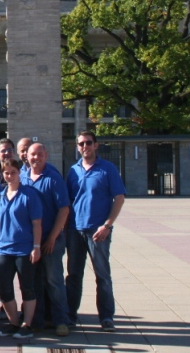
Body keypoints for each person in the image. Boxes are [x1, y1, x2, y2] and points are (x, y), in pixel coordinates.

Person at [66, 131, 126, 332]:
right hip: (75, 230)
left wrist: (107, 225)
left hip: (98, 231)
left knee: (102, 275)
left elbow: (119, 198)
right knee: (73, 275)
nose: (85, 146)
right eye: (81, 143)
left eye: (88, 143)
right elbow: (68, 201)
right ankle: (70, 316)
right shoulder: (73, 171)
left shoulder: (107, 169)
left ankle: (107, 317)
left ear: (96, 145)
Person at [22, 142, 71, 336]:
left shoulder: (53, 177)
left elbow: (64, 209)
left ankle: (61, 320)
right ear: (26, 156)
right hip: (30, 241)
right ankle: (38, 320)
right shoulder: (23, 177)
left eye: (40, 154)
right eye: (33, 154)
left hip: (50, 239)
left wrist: (52, 238)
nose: (36, 158)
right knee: (35, 282)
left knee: (54, 280)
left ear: (46, 155)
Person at [0, 158, 42, 339]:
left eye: (13, 172)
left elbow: (36, 223)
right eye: (6, 173)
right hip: (4, 249)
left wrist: (36, 246)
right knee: (3, 287)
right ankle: (13, 322)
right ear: (2, 174)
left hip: (24, 249)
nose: (10, 176)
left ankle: (27, 325)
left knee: (27, 287)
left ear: (19, 173)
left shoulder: (29, 195)